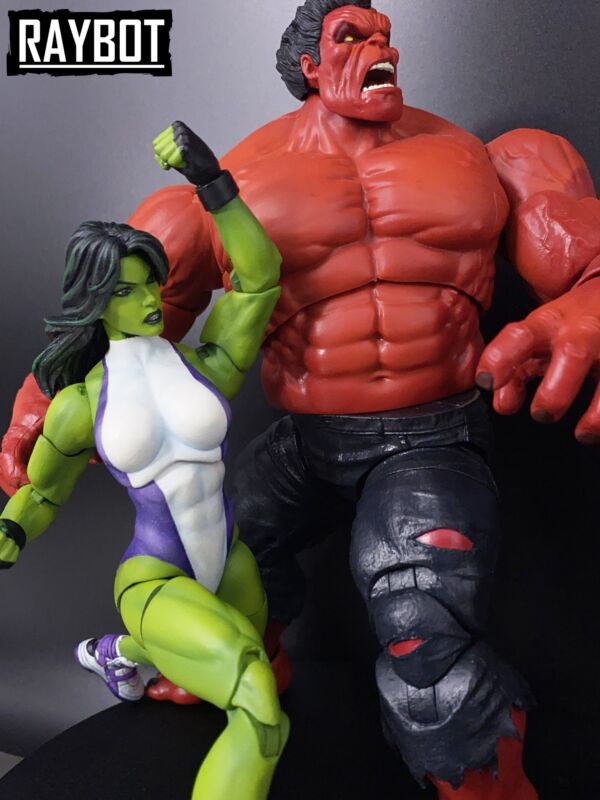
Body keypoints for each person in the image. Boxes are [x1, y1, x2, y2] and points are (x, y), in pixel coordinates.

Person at [5, 1, 600, 796]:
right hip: (309, 436)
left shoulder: (479, 160)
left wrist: (590, 304)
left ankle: (489, 784)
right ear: (309, 67)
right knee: (218, 549)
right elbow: (118, 321)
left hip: (431, 434)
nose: (379, 46)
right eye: (351, 35)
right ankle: (243, 669)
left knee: (420, 624)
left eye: (383, 33)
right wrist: (36, 406)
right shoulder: (237, 183)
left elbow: (586, 263)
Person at [0, 121, 288, 800]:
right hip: (155, 577)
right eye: (125, 291)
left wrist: (211, 181)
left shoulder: (206, 366)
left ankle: (119, 654)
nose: (150, 301)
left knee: (253, 667)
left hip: (232, 564)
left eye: (151, 283)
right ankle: (131, 641)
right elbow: (42, 494)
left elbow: (258, 279)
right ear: (96, 302)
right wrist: (9, 530)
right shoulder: (79, 405)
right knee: (258, 705)